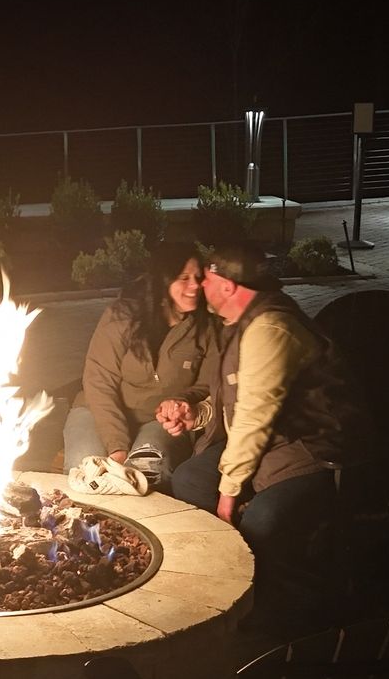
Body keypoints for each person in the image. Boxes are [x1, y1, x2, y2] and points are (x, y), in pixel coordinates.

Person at [162, 241, 357, 567]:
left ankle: (270, 593)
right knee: (190, 480)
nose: (200, 285)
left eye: (206, 278)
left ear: (227, 285)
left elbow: (254, 418)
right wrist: (197, 414)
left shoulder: (268, 329)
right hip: (271, 445)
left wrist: (228, 495)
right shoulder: (237, 323)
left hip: (310, 452)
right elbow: (236, 399)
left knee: (261, 524)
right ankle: (216, 566)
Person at [63, 243, 220, 486]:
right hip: (98, 411)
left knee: (147, 470)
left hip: (157, 421)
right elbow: (99, 381)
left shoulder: (206, 327)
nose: (195, 285)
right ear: (162, 281)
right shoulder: (122, 316)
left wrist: (180, 402)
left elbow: (207, 384)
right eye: (184, 278)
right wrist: (117, 447)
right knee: (86, 468)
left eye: (198, 277)